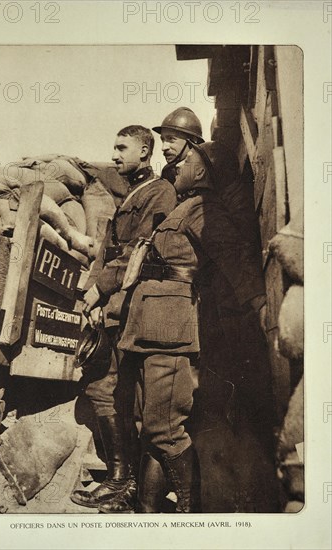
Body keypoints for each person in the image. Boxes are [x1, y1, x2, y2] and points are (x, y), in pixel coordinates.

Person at [118, 141, 269, 513]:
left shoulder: (204, 208)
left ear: (201, 172)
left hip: (169, 330)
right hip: (149, 327)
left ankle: (190, 512)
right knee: (152, 429)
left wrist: (259, 304)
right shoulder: (182, 207)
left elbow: (231, 255)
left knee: (166, 428)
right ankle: (148, 513)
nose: (178, 165)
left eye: (187, 160)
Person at [70, 125, 177, 513]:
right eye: (113, 147)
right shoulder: (131, 193)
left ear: (145, 150)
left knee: (130, 398)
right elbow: (108, 249)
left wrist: (104, 287)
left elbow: (140, 248)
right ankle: (119, 478)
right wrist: (94, 290)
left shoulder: (159, 193)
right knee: (103, 390)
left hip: (137, 309)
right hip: (113, 307)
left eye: (122, 147)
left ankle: (129, 484)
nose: (114, 155)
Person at [152, 107, 204, 184]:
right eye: (162, 140)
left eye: (171, 139)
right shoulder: (168, 172)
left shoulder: (207, 171)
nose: (164, 148)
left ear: (193, 140)